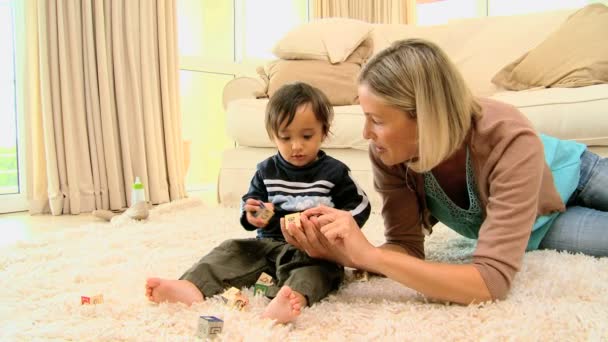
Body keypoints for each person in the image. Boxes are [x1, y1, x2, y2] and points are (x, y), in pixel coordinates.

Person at [280, 38, 608, 305]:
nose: (366, 133)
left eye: (377, 120)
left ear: (425, 116)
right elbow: (406, 248)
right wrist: (344, 251)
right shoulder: (389, 153)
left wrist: (371, 258)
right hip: (536, 223)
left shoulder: (508, 137)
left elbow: (490, 284)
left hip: (574, 171)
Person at [145, 82, 371, 323]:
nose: (296, 146)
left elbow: (360, 205)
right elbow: (252, 205)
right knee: (230, 250)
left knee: (320, 272)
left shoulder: (334, 171)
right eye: (285, 137)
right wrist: (252, 215)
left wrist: (338, 223)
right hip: (267, 245)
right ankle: (191, 286)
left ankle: (292, 298)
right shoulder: (266, 170)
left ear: (323, 132)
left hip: (314, 250)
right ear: (273, 136)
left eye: (307, 136)